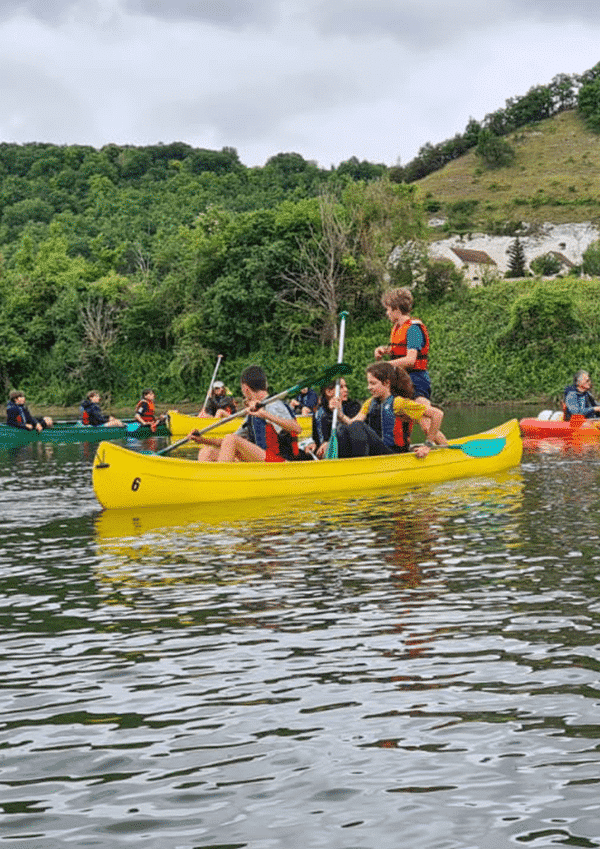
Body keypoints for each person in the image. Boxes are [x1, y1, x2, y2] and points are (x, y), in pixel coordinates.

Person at [374, 287, 446, 445]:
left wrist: (386, 364)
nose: (387, 313)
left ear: (396, 309)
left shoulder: (413, 329)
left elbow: (411, 359)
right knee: (402, 421)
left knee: (427, 425)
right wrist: (384, 350)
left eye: (388, 309)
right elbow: (399, 351)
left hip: (416, 380)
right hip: (402, 382)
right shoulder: (398, 328)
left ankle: (448, 452)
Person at [189, 365, 304, 463]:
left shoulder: (273, 405)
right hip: (262, 459)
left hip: (281, 462)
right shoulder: (252, 411)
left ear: (246, 389)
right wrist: (202, 439)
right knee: (207, 451)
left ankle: (222, 480)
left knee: (231, 439)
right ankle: (209, 483)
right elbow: (226, 443)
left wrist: (265, 415)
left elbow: (297, 429)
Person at [332, 362, 447, 460]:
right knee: (342, 429)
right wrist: (340, 414)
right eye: (368, 383)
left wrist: (427, 445)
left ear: (386, 383)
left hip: (394, 453)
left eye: (373, 383)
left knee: (358, 425)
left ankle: (360, 467)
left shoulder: (399, 403)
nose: (369, 387)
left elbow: (437, 414)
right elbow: (351, 424)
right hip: (378, 452)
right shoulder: (370, 402)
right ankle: (345, 464)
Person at [308, 378, 361, 459]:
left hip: (348, 453)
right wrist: (312, 444)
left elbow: (356, 433)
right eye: (341, 387)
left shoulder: (353, 407)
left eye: (346, 386)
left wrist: (329, 443)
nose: (346, 390)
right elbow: (316, 438)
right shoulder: (319, 412)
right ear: (328, 392)